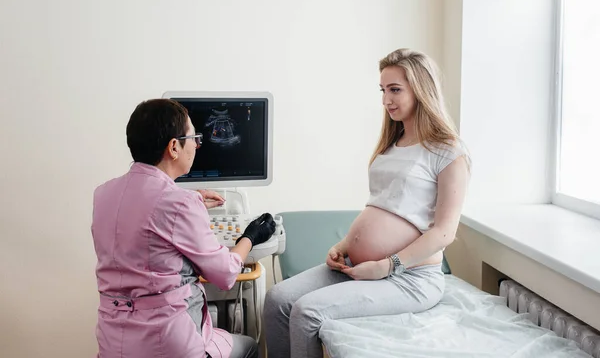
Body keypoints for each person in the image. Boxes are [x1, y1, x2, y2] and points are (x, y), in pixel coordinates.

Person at [263, 48, 471, 358]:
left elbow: (444, 232)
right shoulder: (392, 143)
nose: (386, 99)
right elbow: (380, 205)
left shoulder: (449, 152)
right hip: (359, 264)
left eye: (395, 89)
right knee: (277, 299)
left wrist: (389, 266)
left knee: (306, 312)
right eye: (383, 90)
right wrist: (345, 245)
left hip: (411, 277)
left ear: (421, 89)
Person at [91, 99, 276, 358]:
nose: (197, 146)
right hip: (167, 344)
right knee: (249, 346)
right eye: (194, 138)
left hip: (114, 343)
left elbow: (143, 216)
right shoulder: (180, 203)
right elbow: (224, 274)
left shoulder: (103, 195)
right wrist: (250, 236)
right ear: (174, 147)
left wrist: (195, 198)